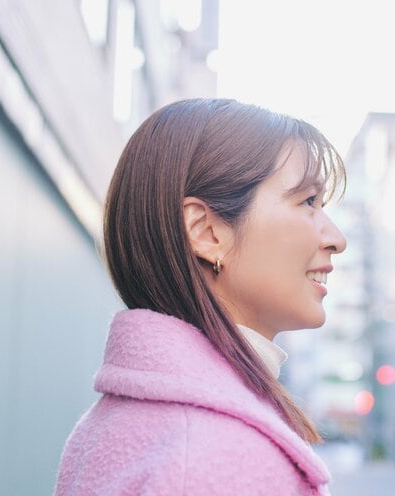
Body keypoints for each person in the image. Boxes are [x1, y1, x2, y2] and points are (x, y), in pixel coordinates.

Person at [54, 98, 347, 495]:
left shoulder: (116, 425)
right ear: (206, 232)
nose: (336, 239)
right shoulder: (215, 455)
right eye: (307, 201)